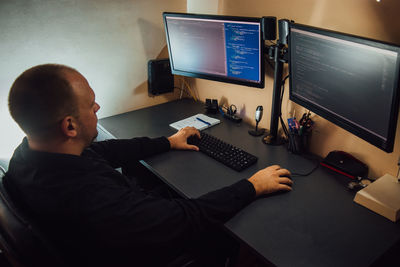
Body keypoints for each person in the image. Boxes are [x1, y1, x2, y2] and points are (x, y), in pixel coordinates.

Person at [5, 64, 293, 267]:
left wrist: (168, 142)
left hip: (94, 240)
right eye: (91, 105)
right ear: (69, 125)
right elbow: (184, 219)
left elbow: (104, 151)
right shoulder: (91, 198)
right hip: (141, 252)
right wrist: (251, 186)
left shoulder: (26, 154)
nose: (97, 108)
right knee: (226, 233)